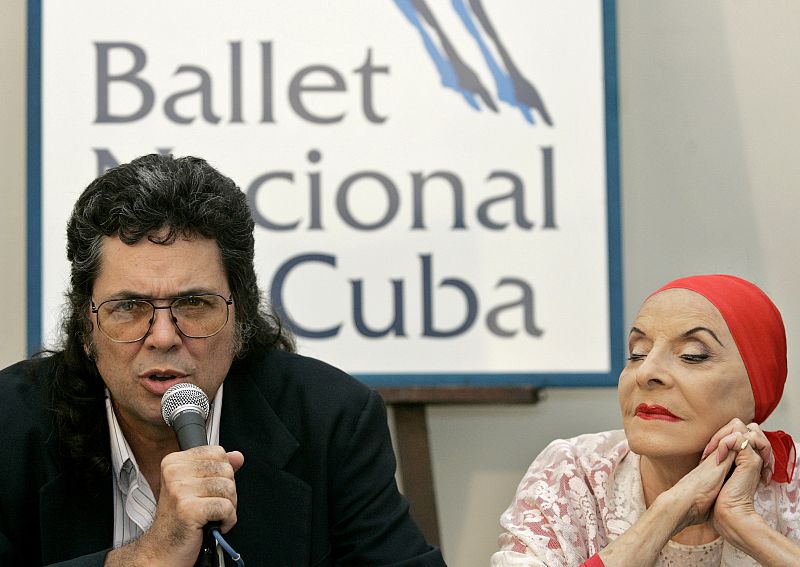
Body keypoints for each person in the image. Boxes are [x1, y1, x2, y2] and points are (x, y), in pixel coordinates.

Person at [0, 154, 446, 566]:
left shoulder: (330, 421)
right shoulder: (9, 426)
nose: (162, 337)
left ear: (242, 316)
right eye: (129, 306)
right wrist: (150, 555)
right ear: (85, 325)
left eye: (194, 303)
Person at [491, 275, 800, 566]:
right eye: (637, 353)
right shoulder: (575, 471)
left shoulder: (793, 486)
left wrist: (748, 528)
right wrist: (668, 511)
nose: (645, 372)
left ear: (759, 386)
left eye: (692, 355)